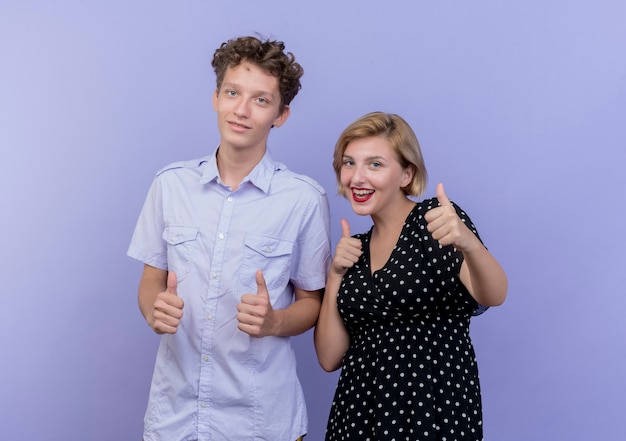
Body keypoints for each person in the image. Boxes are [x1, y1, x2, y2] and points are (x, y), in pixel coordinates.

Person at [128, 35, 331, 441]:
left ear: (281, 114)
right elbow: (152, 280)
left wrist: (275, 322)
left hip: (261, 422)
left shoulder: (304, 199)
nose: (241, 110)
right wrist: (154, 310)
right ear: (216, 97)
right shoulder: (170, 185)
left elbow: (313, 303)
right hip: (175, 419)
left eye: (260, 100)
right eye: (233, 92)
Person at [314, 111, 507, 440]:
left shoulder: (435, 221)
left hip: (430, 407)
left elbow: (494, 295)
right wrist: (335, 276)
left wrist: (469, 243)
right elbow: (330, 359)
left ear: (406, 173)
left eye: (374, 164)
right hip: (358, 411)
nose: (357, 177)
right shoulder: (355, 248)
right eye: (349, 163)